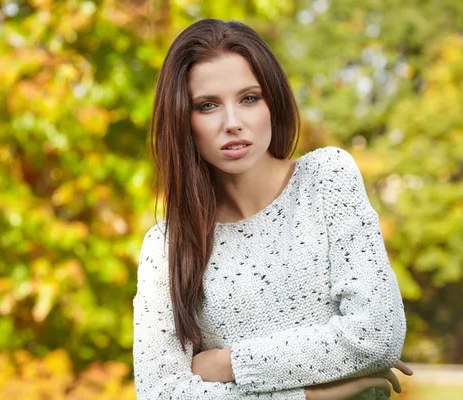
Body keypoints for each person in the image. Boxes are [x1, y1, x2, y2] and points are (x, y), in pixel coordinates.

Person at [133, 18, 412, 400]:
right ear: (183, 119)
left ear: (273, 102)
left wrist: (226, 364)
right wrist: (310, 396)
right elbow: (160, 392)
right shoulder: (166, 246)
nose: (233, 123)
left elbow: (377, 334)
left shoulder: (327, 179)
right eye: (208, 105)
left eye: (249, 98)